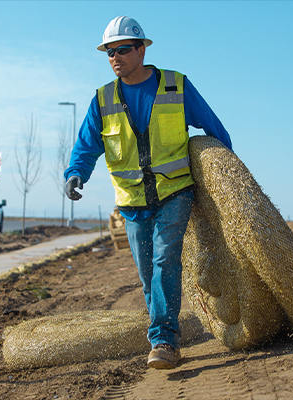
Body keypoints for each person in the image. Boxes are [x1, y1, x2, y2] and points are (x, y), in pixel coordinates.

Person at [64, 16, 232, 369]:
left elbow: (214, 129)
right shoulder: (102, 100)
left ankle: (164, 341)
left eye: (122, 49)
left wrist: (226, 174)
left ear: (142, 49)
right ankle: (163, 328)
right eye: (109, 52)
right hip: (132, 203)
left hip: (175, 193)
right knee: (147, 274)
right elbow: (86, 147)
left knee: (164, 260)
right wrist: (75, 174)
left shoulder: (176, 86)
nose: (115, 58)